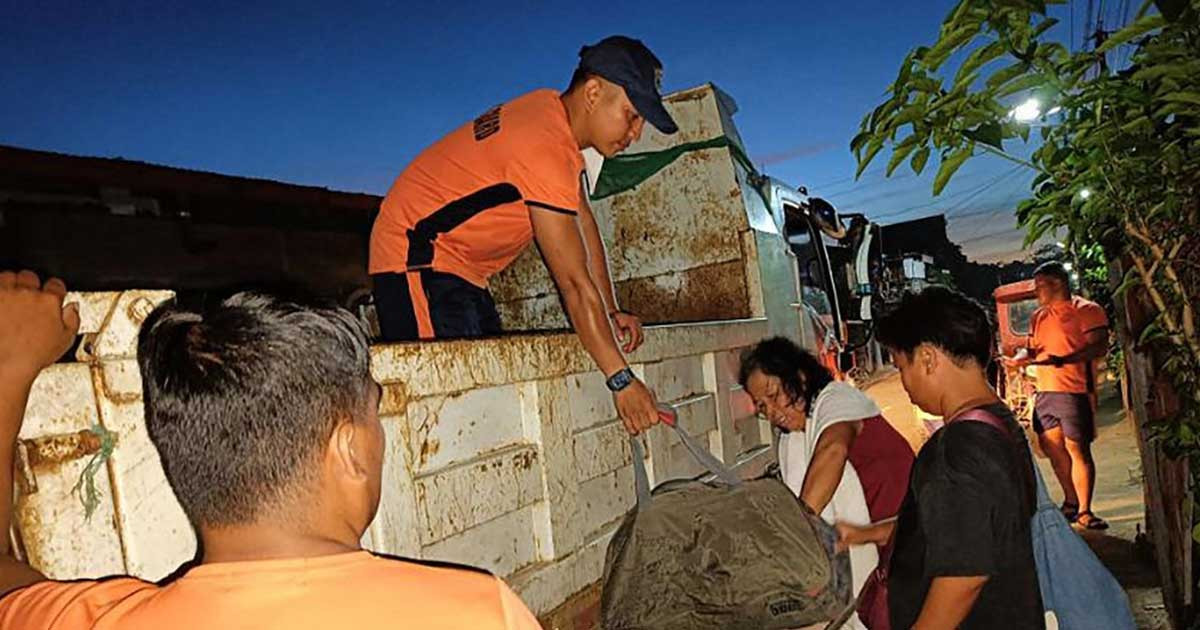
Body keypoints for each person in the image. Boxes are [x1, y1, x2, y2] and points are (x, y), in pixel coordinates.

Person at [0, 270, 542, 629]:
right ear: (351, 449)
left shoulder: (99, 621)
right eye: (373, 411)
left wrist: (10, 369)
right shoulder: (476, 613)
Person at [369, 35, 679, 436]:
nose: (635, 133)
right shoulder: (542, 143)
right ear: (594, 91)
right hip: (414, 258)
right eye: (631, 115)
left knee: (487, 399)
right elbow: (570, 280)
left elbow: (584, 227)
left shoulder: (552, 120)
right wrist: (620, 379)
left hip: (463, 270)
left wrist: (610, 310)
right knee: (446, 416)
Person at [840, 287, 1044, 630]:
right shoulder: (999, 423)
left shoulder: (956, 449)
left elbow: (963, 575)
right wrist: (868, 533)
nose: (903, 382)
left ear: (928, 359)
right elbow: (963, 523)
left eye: (901, 366)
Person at [739, 336, 915, 628]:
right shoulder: (793, 438)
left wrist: (802, 535)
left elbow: (833, 450)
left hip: (903, 546)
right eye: (761, 406)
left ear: (800, 377)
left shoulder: (837, 400)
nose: (771, 412)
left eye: (773, 394)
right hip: (878, 549)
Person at [1004, 261, 1110, 530]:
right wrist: (1017, 360)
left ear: (1057, 283)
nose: (1036, 292)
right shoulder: (1038, 317)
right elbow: (1030, 350)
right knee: (1053, 449)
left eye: (1040, 286)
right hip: (1045, 390)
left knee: (1077, 449)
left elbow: (1098, 347)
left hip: (1074, 390)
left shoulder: (1086, 310)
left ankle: (1086, 510)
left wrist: (1062, 360)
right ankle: (1071, 501)